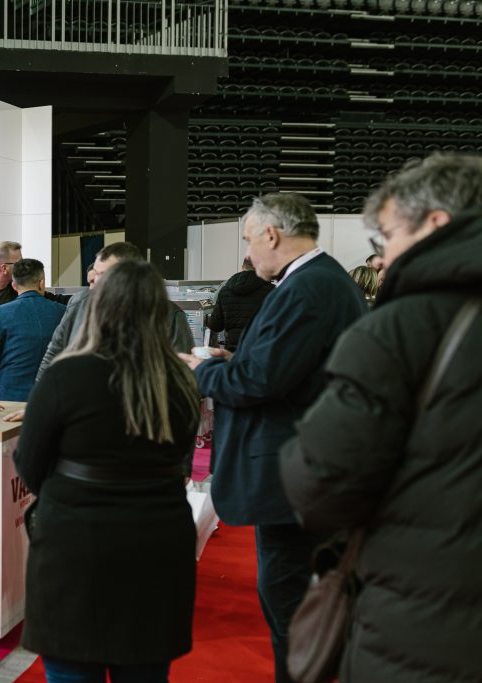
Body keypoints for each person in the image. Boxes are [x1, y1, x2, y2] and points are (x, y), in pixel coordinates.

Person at [279, 154, 482, 683]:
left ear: (436, 223)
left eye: (386, 236)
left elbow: (320, 485)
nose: (382, 256)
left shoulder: (399, 328)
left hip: (426, 618)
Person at [178, 193, 366, 683]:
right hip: (304, 468)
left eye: (248, 240)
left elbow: (260, 381)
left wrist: (201, 372)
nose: (247, 252)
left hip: (291, 475)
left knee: (290, 610)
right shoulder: (319, 282)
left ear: (271, 234)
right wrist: (231, 362)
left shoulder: (308, 288)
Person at [15, 259, 201, 683]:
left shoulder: (67, 375)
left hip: (76, 546)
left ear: (99, 306)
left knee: (71, 669)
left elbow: (29, 463)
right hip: (159, 543)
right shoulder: (180, 378)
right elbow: (182, 457)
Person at [37, 242, 193, 381]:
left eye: (104, 274)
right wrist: (41, 396)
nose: (95, 280)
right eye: (95, 273)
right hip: (80, 400)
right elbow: (54, 353)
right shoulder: (80, 304)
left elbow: (181, 373)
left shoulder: (168, 315)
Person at [0, 260, 65, 401]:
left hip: (8, 400)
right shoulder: (63, 312)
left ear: (14, 285)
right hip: (51, 398)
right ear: (41, 283)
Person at [206, 258, 274, 352]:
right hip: (261, 348)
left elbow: (215, 326)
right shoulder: (271, 291)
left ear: (243, 268)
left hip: (233, 349)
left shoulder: (225, 289)